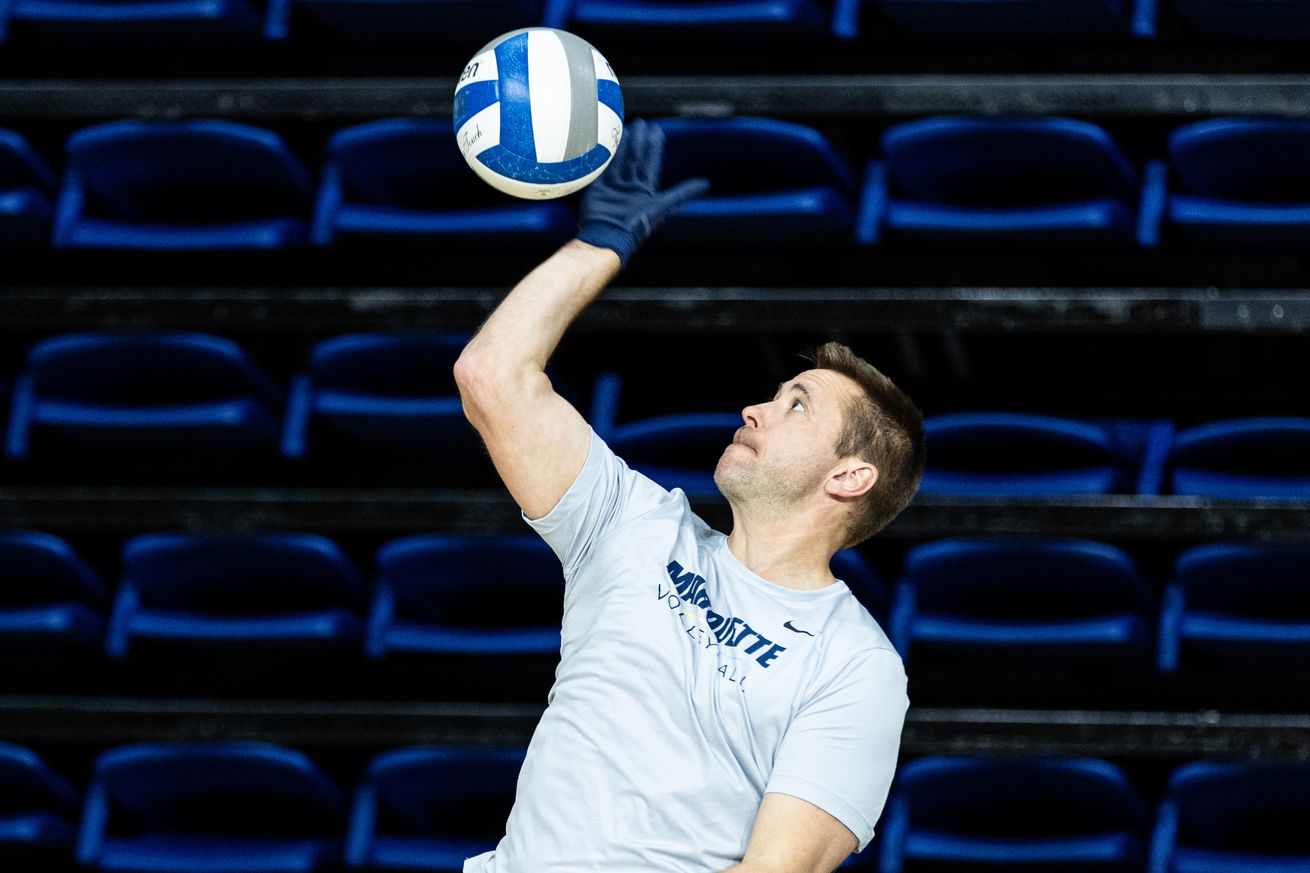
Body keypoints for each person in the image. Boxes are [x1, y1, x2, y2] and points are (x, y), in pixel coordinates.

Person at [454, 119, 925, 873]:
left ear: (849, 476)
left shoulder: (855, 664)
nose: (755, 409)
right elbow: (493, 377)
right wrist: (599, 245)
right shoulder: (631, 526)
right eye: (772, 394)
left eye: (796, 404)